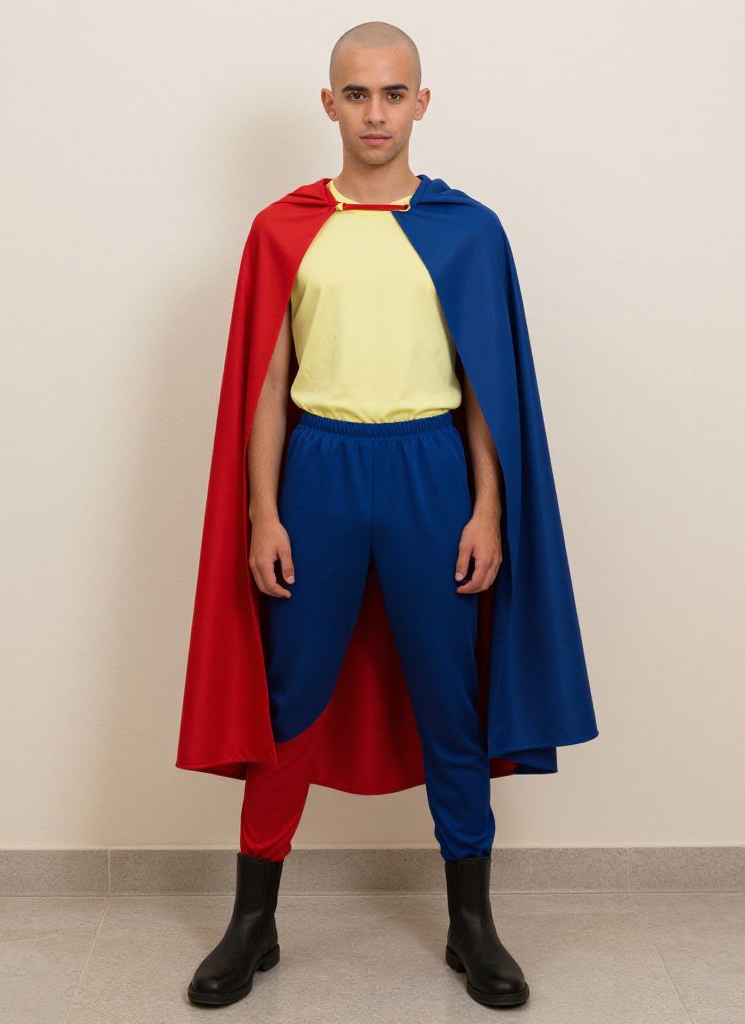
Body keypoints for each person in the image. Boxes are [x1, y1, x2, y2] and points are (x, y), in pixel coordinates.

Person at [178, 20, 599, 1009]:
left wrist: (487, 507)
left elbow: (485, 384)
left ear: (422, 103)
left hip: (431, 470)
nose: (376, 113)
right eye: (358, 94)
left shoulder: (469, 230)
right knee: (291, 700)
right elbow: (266, 383)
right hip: (319, 469)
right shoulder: (283, 228)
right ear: (329, 104)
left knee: (451, 699)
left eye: (393, 93)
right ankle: (253, 921)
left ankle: (470, 925)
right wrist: (262, 513)